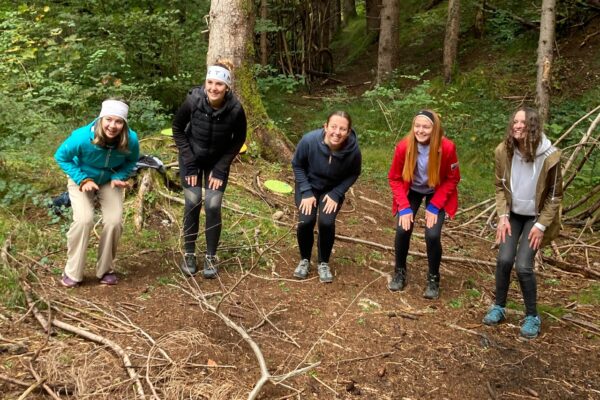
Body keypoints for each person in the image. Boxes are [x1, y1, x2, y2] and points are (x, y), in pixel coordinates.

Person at [483, 107, 562, 339]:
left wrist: (541, 225)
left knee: (524, 265)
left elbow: (555, 195)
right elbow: (499, 186)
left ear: (534, 126)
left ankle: (532, 316)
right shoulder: (503, 151)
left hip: (535, 218)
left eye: (523, 122)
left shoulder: (551, 156)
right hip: (513, 214)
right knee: (504, 258)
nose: (517, 126)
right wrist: (502, 215)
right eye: (515, 122)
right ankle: (499, 306)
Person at [172, 59, 247, 278]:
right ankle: (189, 253)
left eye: (219, 84)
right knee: (193, 202)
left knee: (213, 205)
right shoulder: (193, 101)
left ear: (227, 87)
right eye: (210, 83)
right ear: (205, 83)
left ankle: (211, 256)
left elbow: (239, 138)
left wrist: (222, 167)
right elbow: (177, 128)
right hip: (191, 159)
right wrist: (190, 162)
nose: (214, 88)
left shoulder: (235, 109)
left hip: (217, 163)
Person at [54, 99, 140, 287]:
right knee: (84, 220)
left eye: (118, 121)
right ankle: (73, 272)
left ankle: (105, 269)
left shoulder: (131, 139)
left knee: (114, 221)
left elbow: (132, 160)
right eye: (109, 119)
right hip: (82, 178)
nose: (112, 126)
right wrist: (82, 179)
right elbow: (61, 156)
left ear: (124, 124)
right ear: (101, 119)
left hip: (110, 179)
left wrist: (120, 175)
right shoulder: (82, 137)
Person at [388, 109, 460, 299]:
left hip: (436, 191)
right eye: (417, 126)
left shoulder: (448, 148)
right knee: (403, 230)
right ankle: (399, 272)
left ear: (434, 128)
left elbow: (453, 179)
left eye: (426, 127)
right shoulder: (404, 146)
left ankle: (433, 278)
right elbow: (394, 178)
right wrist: (404, 207)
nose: (420, 130)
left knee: (433, 234)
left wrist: (434, 206)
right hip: (411, 189)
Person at [292, 111, 362, 283]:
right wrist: (306, 192)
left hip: (332, 190)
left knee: (326, 222)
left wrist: (337, 193)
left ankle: (323, 262)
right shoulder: (309, 140)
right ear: (325, 127)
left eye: (342, 129)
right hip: (308, 186)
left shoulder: (353, 150)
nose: (337, 132)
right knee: (306, 221)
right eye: (333, 127)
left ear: (348, 131)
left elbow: (354, 173)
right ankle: (304, 260)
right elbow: (297, 165)